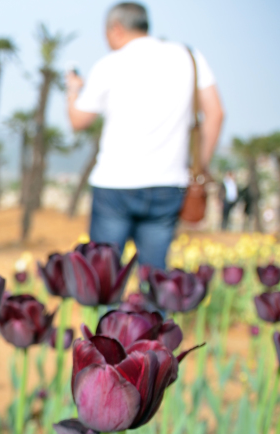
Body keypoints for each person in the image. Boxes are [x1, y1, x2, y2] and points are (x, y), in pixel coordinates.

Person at [66, 2, 224, 270]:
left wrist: (72, 90)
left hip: (115, 184)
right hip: (168, 183)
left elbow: (78, 120)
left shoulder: (110, 64)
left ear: (116, 29)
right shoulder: (188, 56)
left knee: (103, 278)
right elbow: (216, 114)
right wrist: (199, 167)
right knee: (155, 282)